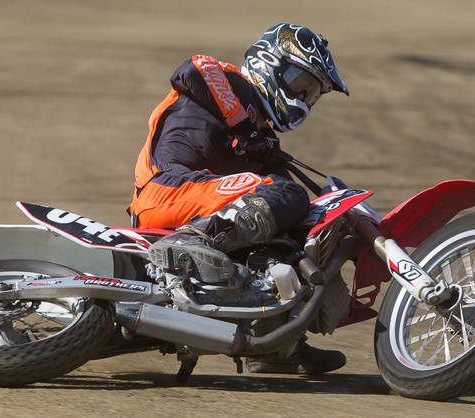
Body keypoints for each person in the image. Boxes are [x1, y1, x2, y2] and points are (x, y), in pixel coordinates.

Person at [128, 23, 349, 374]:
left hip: (196, 198)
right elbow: (195, 67)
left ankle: (276, 340)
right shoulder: (234, 86)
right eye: (299, 83)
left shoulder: (259, 140)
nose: (303, 98)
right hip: (168, 188)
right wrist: (246, 129)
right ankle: (192, 241)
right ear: (269, 63)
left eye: (311, 94)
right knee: (288, 194)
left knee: (294, 222)